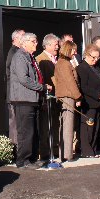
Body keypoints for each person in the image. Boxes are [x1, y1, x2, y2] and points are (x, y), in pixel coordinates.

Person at [10, 33, 50, 168]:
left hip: (33, 99)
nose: (36, 43)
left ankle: (32, 158)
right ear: (24, 42)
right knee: (26, 131)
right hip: (23, 100)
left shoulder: (30, 57)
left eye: (36, 40)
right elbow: (24, 79)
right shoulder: (20, 57)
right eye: (33, 41)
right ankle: (23, 161)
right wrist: (42, 87)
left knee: (34, 131)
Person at [76, 44, 100, 158]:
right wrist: (97, 94)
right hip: (89, 103)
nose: (95, 60)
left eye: (97, 58)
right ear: (86, 55)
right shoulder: (82, 68)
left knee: (95, 127)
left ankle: (93, 149)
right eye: (93, 57)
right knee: (88, 127)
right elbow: (84, 87)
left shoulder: (95, 68)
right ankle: (86, 151)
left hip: (99, 102)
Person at [54, 40, 82, 162]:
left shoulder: (61, 62)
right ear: (68, 49)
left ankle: (64, 153)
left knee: (64, 125)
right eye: (73, 50)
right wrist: (78, 96)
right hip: (67, 97)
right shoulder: (65, 63)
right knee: (68, 126)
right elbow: (70, 82)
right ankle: (67, 154)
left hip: (64, 96)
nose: (75, 52)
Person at [36, 33, 60, 161]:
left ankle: (55, 150)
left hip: (57, 98)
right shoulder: (40, 59)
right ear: (48, 45)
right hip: (47, 98)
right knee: (46, 126)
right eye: (56, 44)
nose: (58, 46)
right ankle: (45, 152)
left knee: (55, 125)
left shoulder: (57, 58)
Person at [6, 29, 25, 145]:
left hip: (17, 94)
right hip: (14, 94)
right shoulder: (14, 53)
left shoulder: (19, 52)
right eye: (23, 36)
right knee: (15, 124)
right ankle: (16, 151)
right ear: (15, 39)